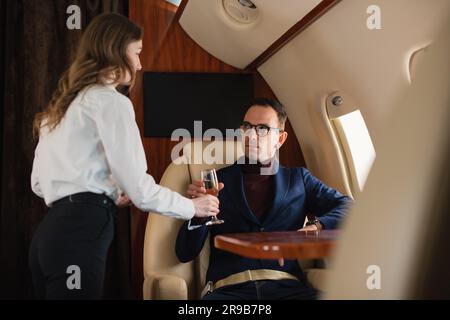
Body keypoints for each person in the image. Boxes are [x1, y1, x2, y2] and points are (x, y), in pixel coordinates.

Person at [29, 13, 219, 300]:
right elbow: (141, 191)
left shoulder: (59, 109)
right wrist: (195, 208)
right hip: (82, 230)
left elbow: (39, 185)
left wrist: (106, 192)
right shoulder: (111, 102)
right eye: (137, 52)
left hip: (49, 235)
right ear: (116, 51)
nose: (140, 64)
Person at [176, 98, 352, 300]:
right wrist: (198, 213)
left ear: (280, 139)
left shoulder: (299, 180)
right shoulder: (215, 182)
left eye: (262, 128)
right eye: (247, 126)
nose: (251, 135)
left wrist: (315, 227)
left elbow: (349, 206)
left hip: (288, 289)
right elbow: (184, 253)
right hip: (229, 291)